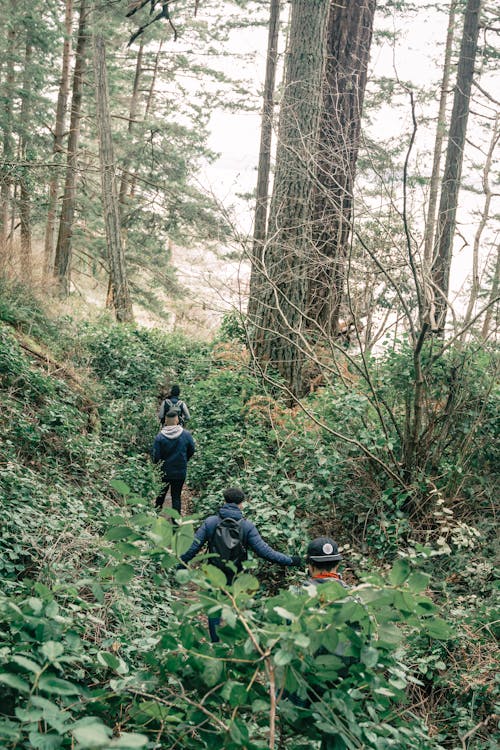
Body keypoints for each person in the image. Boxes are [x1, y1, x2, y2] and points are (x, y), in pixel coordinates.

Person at [179, 487, 301, 641]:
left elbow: (193, 547)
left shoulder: (210, 522)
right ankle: (234, 643)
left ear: (224, 501)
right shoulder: (247, 526)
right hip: (237, 576)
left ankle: (216, 645)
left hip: (213, 573)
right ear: (241, 504)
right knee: (237, 610)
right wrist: (292, 561)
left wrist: (179, 564)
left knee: (214, 609)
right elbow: (266, 553)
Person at [152, 408, 195, 513]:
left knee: (161, 495)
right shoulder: (186, 435)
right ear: (177, 420)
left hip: (164, 472)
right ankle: (176, 524)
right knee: (176, 496)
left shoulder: (160, 437)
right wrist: (185, 459)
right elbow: (192, 450)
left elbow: (155, 456)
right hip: (180, 470)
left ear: (166, 421)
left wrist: (158, 466)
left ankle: (155, 517)